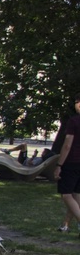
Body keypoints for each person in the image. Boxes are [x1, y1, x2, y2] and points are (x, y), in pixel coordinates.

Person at [52, 92, 80, 238]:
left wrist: (59, 165)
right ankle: (65, 224)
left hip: (72, 162)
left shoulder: (74, 121)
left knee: (66, 195)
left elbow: (67, 145)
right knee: (76, 195)